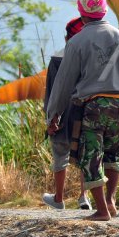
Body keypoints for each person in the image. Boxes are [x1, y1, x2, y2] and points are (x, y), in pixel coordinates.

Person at [46, 0, 119, 221]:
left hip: (92, 106)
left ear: (82, 15)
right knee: (113, 153)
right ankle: (111, 201)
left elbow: (64, 83)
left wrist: (54, 115)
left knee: (91, 156)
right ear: (104, 11)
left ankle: (102, 210)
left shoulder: (77, 42)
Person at [42, 17, 90, 210]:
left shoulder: (57, 58)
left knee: (60, 154)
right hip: (84, 112)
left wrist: (51, 117)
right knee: (85, 154)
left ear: (67, 37)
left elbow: (51, 91)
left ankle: (59, 198)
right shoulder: (89, 57)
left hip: (62, 113)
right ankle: (84, 196)